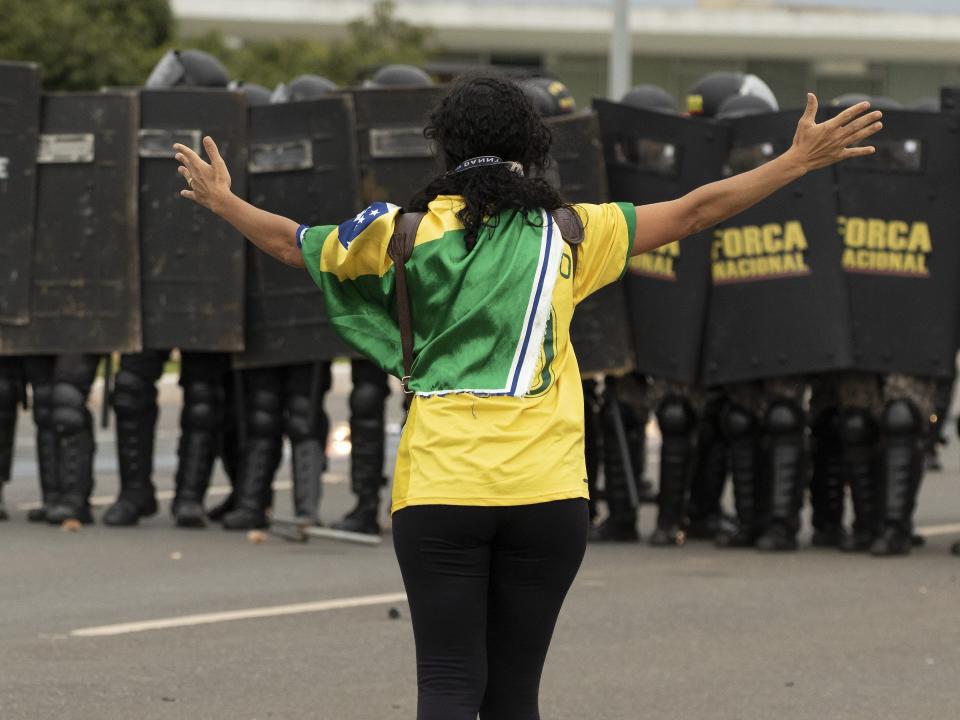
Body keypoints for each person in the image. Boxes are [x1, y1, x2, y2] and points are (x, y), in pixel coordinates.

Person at [174, 74, 880, 719]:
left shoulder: (401, 232)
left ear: (445, 150)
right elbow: (694, 212)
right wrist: (796, 161)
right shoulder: (572, 232)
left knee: (448, 685)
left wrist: (220, 199)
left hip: (440, 491)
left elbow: (291, 244)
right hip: (549, 496)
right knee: (515, 698)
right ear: (531, 148)